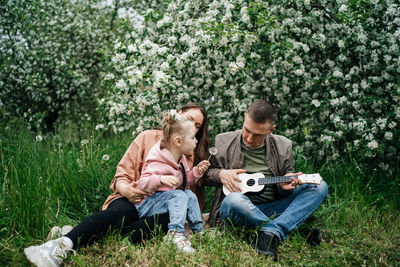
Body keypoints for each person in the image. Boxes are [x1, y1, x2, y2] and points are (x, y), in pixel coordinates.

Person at [24, 103, 209, 267]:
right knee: (125, 213)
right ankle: (62, 244)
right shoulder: (147, 138)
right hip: (130, 198)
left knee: (164, 221)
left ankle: (82, 231)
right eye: (190, 119)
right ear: (177, 114)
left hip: (157, 206)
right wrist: (126, 190)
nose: (193, 127)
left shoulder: (187, 154)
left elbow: (183, 193)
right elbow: (121, 174)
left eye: (197, 126)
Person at [205, 99, 328, 261]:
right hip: (235, 209)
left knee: (320, 186)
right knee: (234, 199)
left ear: (271, 130)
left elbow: (286, 179)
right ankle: (289, 230)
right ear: (244, 118)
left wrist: (287, 186)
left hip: (272, 206)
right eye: (246, 130)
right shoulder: (223, 141)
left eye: (257, 135)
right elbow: (204, 175)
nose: (249, 138)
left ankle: (269, 233)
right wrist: (220, 174)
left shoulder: (283, 146)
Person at [135, 111, 210, 253]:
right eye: (193, 137)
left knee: (188, 193)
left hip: (166, 200)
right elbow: (143, 183)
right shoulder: (158, 158)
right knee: (179, 195)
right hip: (148, 204)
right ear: (178, 141)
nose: (196, 141)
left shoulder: (180, 159)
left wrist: (197, 171)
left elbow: (185, 179)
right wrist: (160, 179)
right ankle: (175, 235)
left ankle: (198, 231)